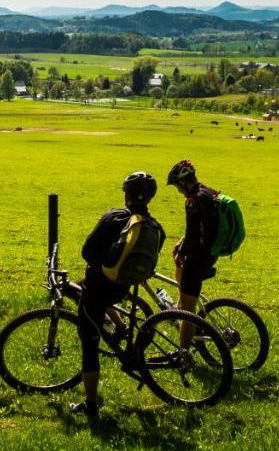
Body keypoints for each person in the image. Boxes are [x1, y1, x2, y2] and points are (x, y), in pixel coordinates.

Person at [71, 171, 165, 416]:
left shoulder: (114, 217)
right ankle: (120, 325)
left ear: (127, 194)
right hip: (123, 287)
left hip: (98, 289)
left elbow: (87, 253)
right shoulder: (155, 227)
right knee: (85, 287)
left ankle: (90, 405)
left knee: (89, 344)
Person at [165, 159, 219, 350]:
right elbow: (202, 227)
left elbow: (193, 235)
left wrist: (182, 251)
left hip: (197, 258)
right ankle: (182, 298)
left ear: (183, 182)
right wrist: (181, 245)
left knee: (187, 313)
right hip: (211, 253)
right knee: (186, 296)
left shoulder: (192, 201)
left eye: (177, 186)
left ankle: (184, 353)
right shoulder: (210, 192)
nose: (178, 191)